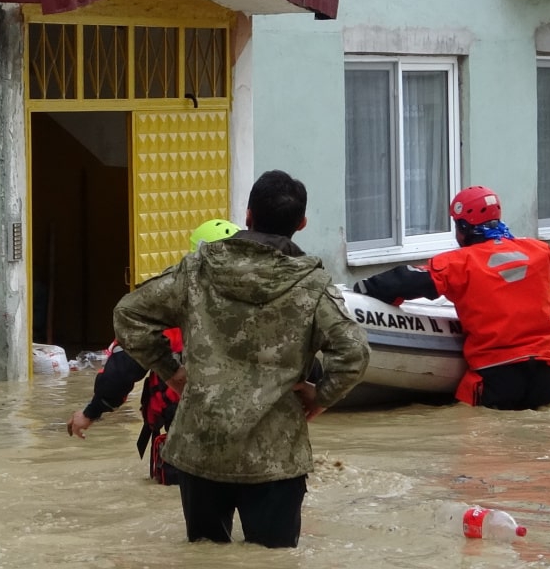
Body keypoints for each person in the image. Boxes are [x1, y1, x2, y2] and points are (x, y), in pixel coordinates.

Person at [112, 170, 370, 549]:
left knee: (205, 557)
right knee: (273, 559)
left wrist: (174, 373)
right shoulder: (312, 286)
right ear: (301, 224)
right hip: (275, 457)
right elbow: (355, 352)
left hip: (201, 449)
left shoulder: (196, 270)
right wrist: (321, 396)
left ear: (247, 217)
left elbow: (128, 315)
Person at [353, 185, 550, 411]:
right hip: (548, 375)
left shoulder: (458, 263)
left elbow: (405, 281)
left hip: (496, 376)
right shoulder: (541, 251)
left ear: (463, 227)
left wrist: (362, 290)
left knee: (472, 436)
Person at [66, 218, 240, 487]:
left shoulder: (165, 315)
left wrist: (90, 413)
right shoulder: (266, 310)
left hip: (186, 445)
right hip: (253, 446)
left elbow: (120, 373)